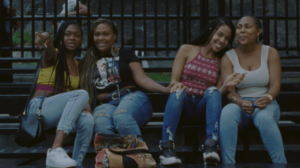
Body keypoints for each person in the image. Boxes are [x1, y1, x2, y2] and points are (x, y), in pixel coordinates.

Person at [158, 17, 245, 166]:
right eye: (220, 34)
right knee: (177, 90)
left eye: (227, 38)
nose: (222, 40)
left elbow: (216, 94)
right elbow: (173, 81)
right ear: (211, 31)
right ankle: (166, 147)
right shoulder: (187, 49)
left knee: (212, 91)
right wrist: (178, 85)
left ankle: (211, 146)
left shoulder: (221, 60)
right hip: (182, 106)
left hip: (203, 109)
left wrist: (225, 85)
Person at [79, 18, 170, 142]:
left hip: (131, 98)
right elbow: (85, 89)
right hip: (105, 104)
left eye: (106, 34)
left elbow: (141, 78)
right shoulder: (87, 62)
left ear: (114, 36)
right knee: (100, 121)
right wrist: (86, 104)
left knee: (121, 115)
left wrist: (165, 89)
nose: (101, 38)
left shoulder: (125, 53)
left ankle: (138, 157)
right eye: (97, 34)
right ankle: (110, 159)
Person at [219, 16, 287, 164]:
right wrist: (241, 102)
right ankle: (228, 164)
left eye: (247, 26)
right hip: (240, 105)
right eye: (239, 27)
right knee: (227, 113)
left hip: (266, 104)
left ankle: (280, 163)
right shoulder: (228, 56)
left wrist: (268, 98)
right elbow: (230, 91)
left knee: (263, 117)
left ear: (258, 31)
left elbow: (275, 85)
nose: (242, 30)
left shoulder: (270, 52)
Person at [29, 20, 94, 167]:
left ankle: (77, 164)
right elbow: (49, 51)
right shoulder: (54, 55)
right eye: (68, 34)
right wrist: (47, 39)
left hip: (60, 114)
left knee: (87, 120)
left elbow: (75, 96)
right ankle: (55, 149)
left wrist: (86, 104)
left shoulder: (77, 65)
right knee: (82, 94)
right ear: (61, 37)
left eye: (77, 35)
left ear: (81, 40)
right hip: (39, 109)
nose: (72, 38)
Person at [0, 0, 19, 82]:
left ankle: (7, 87)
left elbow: (16, 24)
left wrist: (13, 14)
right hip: (4, 37)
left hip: (4, 37)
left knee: (6, 63)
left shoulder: (6, 2)